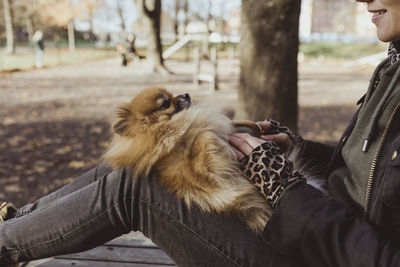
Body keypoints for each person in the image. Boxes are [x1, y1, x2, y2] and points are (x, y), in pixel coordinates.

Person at [1, 0, 399, 266]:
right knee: (137, 161)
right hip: (308, 228)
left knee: (135, 188)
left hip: (310, 249)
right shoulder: (393, 65)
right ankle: (14, 222)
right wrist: (299, 148)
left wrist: (287, 191)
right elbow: (368, 180)